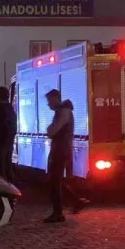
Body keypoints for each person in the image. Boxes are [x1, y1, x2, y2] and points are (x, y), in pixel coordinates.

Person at [43, 89, 87, 223]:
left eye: (49, 101)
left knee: (54, 181)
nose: (48, 104)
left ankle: (59, 212)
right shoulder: (63, 111)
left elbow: (52, 130)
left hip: (60, 150)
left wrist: (50, 130)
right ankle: (75, 201)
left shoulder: (63, 112)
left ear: (56, 99)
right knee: (55, 180)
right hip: (61, 149)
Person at [0, 86, 17, 181]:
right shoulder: (11, 109)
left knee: (0, 169)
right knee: (8, 165)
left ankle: (4, 191)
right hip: (8, 142)